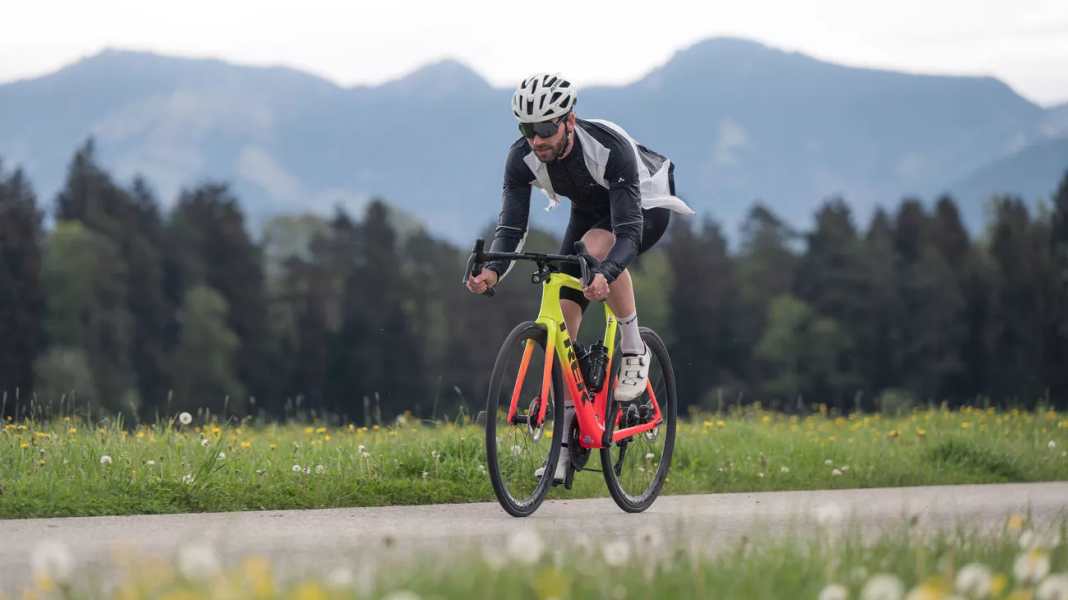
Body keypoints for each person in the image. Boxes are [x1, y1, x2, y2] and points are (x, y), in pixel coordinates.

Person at [466, 72, 693, 482]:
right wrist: (492, 271)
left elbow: (626, 232)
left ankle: (632, 345)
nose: (536, 139)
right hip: (589, 211)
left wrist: (606, 273)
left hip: (643, 207)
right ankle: (567, 449)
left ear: (569, 120)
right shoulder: (521, 159)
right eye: (527, 129)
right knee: (564, 321)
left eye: (545, 128)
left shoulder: (608, 148)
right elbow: (512, 230)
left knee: (593, 249)